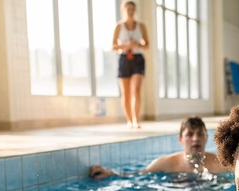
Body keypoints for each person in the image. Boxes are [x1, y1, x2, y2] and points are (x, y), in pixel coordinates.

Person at [89, 117, 229, 179]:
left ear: (206, 138)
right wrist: (110, 173)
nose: (195, 138)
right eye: (190, 134)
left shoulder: (220, 164)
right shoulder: (166, 163)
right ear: (180, 139)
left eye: (200, 134)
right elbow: (138, 175)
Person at [113, 1, 149, 129]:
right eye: (128, 9)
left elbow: (147, 45)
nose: (130, 11)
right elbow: (113, 46)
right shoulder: (119, 26)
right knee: (126, 92)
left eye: (133, 9)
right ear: (124, 10)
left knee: (136, 90)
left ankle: (136, 120)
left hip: (138, 58)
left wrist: (137, 45)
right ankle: (129, 120)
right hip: (124, 58)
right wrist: (126, 45)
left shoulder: (141, 26)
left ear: (135, 10)